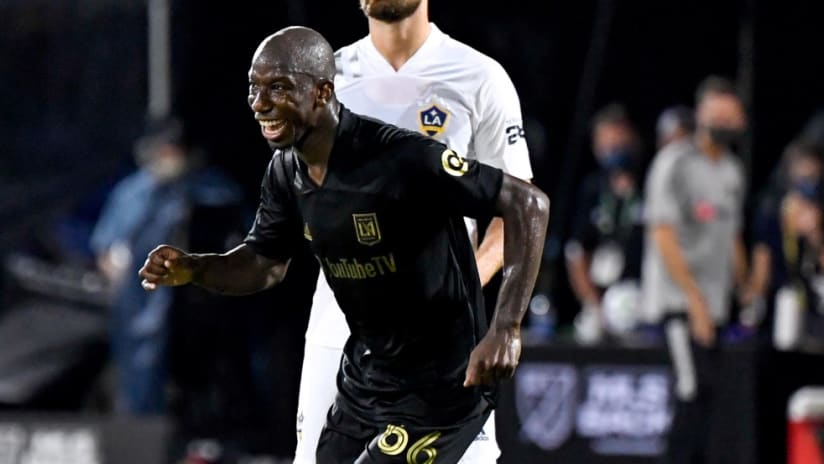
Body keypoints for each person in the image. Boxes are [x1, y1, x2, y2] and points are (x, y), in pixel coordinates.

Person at [138, 26, 549, 464]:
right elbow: (265, 263)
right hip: (367, 375)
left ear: (321, 92)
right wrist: (197, 268)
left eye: (277, 88)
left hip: (440, 387)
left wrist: (506, 326)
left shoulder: (400, 159)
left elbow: (528, 203)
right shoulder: (286, 172)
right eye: (254, 89)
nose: (259, 105)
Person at [297, 0, 534, 462]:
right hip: (339, 328)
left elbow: (518, 211)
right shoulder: (327, 81)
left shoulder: (479, 77)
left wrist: (456, 283)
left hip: (445, 340)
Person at [90, 116, 243, 414]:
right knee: (140, 371)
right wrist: (117, 275)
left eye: (177, 149)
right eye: (165, 149)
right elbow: (106, 247)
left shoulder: (209, 188)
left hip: (201, 301)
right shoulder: (134, 192)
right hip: (143, 303)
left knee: (211, 369)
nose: (171, 157)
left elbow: (245, 229)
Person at [640, 75, 748, 464]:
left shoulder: (732, 170)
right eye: (717, 115)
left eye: (730, 116)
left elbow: (731, 232)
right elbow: (663, 234)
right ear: (701, 115)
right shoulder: (675, 163)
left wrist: (746, 284)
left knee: (709, 398)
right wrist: (694, 300)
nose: (724, 124)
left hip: (717, 304)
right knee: (690, 389)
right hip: (680, 304)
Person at [565, 103, 644, 343]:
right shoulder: (593, 189)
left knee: (625, 310)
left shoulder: (649, 183)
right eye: (605, 144)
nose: (613, 150)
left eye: (618, 142)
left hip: (644, 293)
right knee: (589, 330)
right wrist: (593, 303)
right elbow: (576, 252)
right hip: (601, 293)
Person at [745, 140, 824, 338]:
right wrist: (754, 303)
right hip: (782, 304)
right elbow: (762, 262)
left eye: (814, 175)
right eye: (803, 175)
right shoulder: (771, 210)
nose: (808, 182)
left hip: (816, 303)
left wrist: (814, 234)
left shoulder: (820, 211)